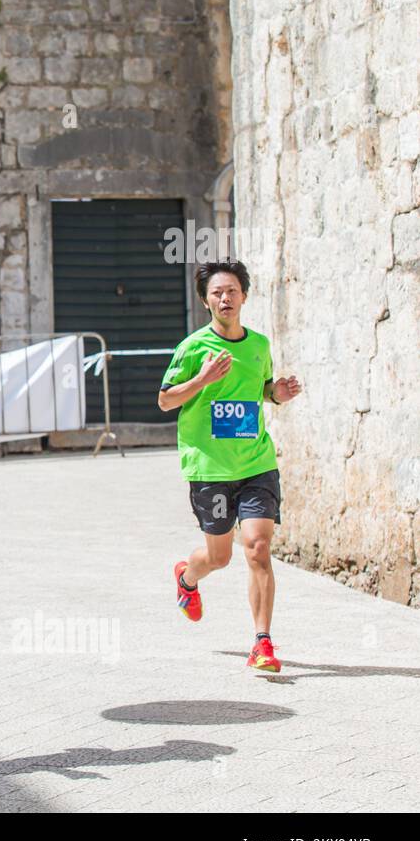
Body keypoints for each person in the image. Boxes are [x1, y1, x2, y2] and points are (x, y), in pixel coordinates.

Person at [158, 259, 302, 675]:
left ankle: (262, 642)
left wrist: (277, 393)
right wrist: (201, 380)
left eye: (232, 291)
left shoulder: (258, 345)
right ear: (206, 301)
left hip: (256, 463)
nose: (225, 298)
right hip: (210, 469)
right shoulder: (192, 348)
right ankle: (188, 578)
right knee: (219, 558)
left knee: (257, 548)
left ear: (244, 296)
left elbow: (261, 391)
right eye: (217, 293)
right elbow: (165, 400)